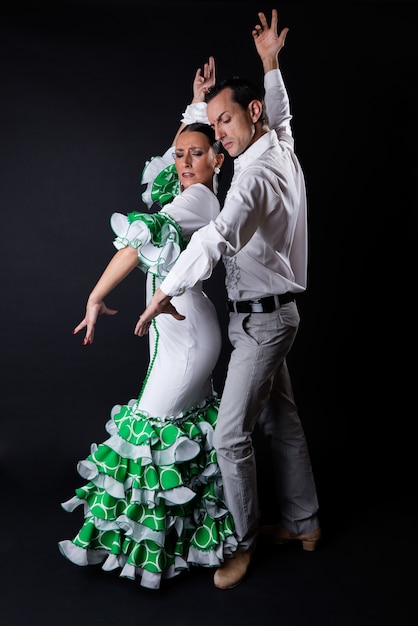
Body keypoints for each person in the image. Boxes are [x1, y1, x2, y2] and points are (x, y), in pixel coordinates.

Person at [134, 8, 321, 590]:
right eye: (213, 127)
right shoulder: (278, 142)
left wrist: (166, 288)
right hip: (269, 317)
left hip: (263, 324)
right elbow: (280, 111)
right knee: (282, 420)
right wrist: (269, 64)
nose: (218, 136)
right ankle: (305, 523)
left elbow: (216, 237)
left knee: (229, 434)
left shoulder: (251, 178)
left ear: (252, 116)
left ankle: (240, 544)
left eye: (224, 124)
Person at [58, 58, 241, 591]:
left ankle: (153, 553)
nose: (183, 163)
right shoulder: (185, 185)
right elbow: (171, 160)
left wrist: (95, 297)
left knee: (152, 434)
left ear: (218, 161)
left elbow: (138, 243)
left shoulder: (198, 201)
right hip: (179, 332)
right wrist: (195, 104)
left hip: (187, 337)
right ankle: (189, 540)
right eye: (181, 155)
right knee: (175, 435)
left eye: (197, 155)